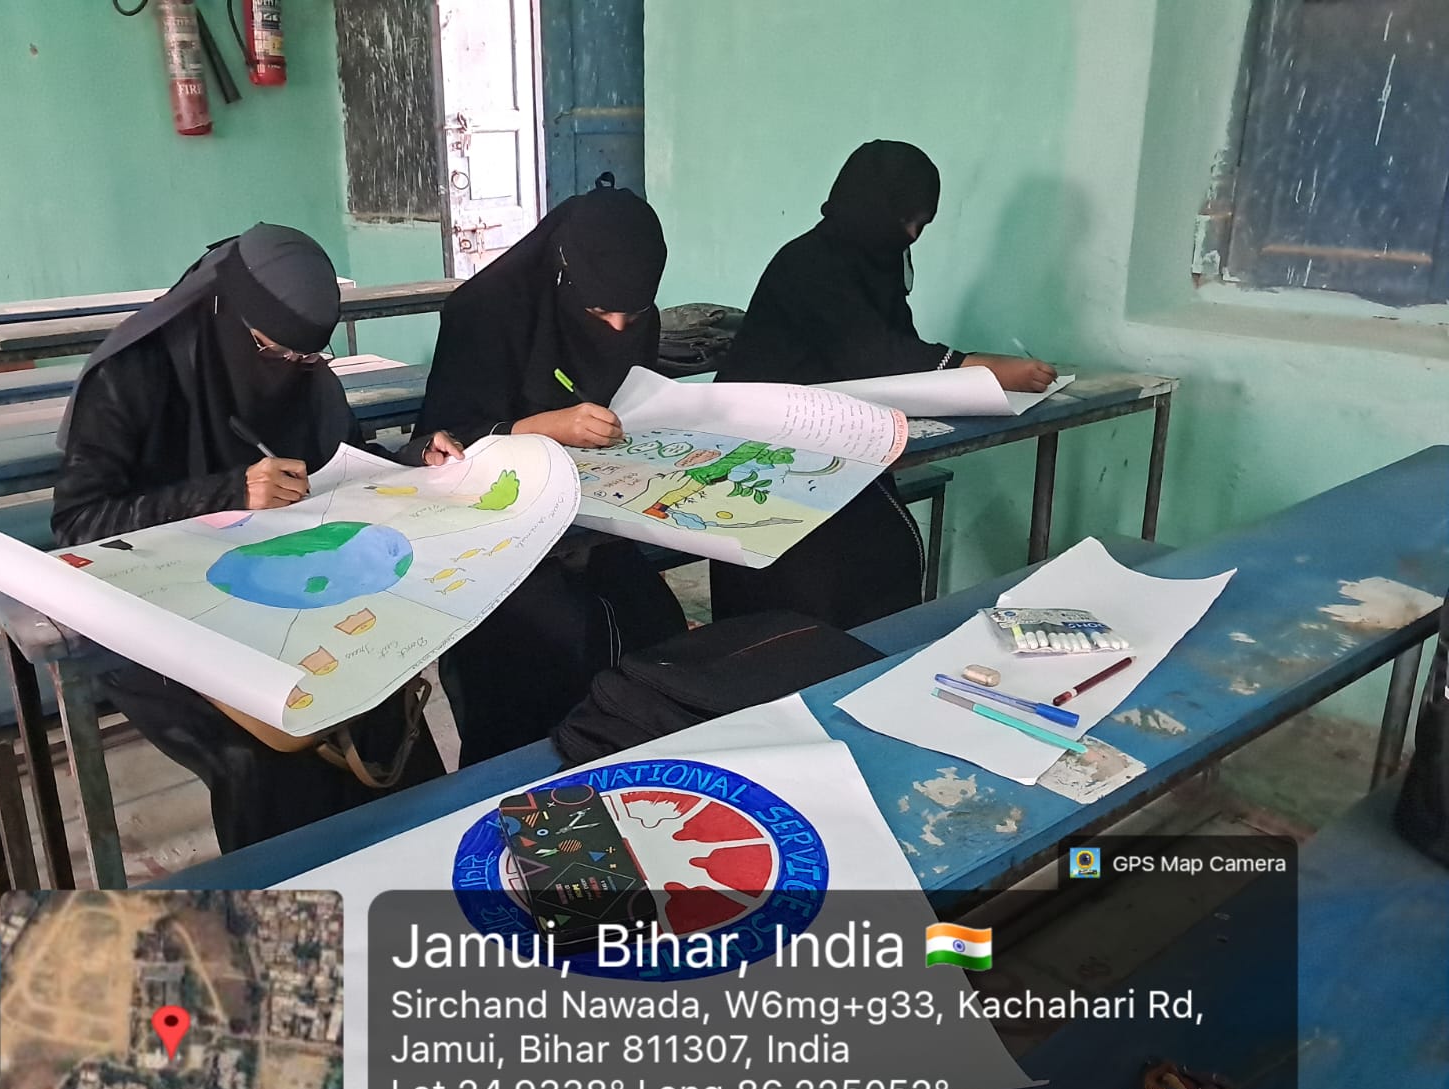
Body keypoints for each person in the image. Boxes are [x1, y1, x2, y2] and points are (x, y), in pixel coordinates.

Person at [52, 223, 458, 852]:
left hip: (283, 588)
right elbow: (78, 526)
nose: (291, 369)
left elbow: (338, 467)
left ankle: (421, 869)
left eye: (307, 358)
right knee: (265, 755)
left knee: (380, 701)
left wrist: (412, 460)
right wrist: (227, 493)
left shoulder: (301, 370)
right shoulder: (134, 372)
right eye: (273, 351)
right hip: (155, 609)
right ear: (225, 310)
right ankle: (295, 901)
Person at [710, 140, 1057, 629]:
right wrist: (982, 368)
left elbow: (898, 347)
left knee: (880, 552)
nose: (911, 235)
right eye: (904, 220)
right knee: (832, 571)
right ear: (870, 207)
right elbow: (873, 353)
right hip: (762, 447)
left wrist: (965, 372)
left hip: (837, 438)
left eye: (922, 224)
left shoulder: (879, 260)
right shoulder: (808, 262)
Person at [411, 175, 687, 766]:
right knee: (543, 656)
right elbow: (440, 445)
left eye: (635, 312)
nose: (619, 328)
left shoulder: (630, 309)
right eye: (599, 311)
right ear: (564, 273)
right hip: (495, 537)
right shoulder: (486, 312)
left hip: (595, 522)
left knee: (657, 635)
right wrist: (541, 426)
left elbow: (634, 400)